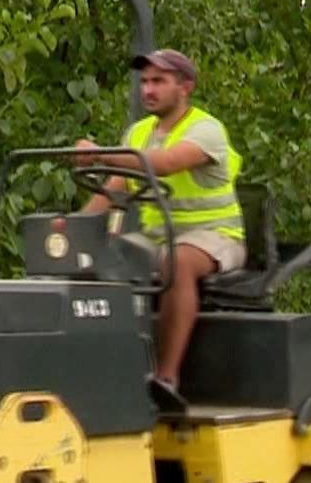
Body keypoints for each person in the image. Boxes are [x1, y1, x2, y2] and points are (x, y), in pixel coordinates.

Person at [76, 48, 246, 410]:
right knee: (95, 261)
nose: (148, 90)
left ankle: (166, 378)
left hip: (215, 237)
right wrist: (74, 231)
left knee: (177, 262)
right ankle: (101, 371)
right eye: (145, 82)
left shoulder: (206, 130)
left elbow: (166, 163)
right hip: (156, 238)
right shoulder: (138, 133)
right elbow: (114, 188)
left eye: (159, 81)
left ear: (185, 87)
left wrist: (100, 153)